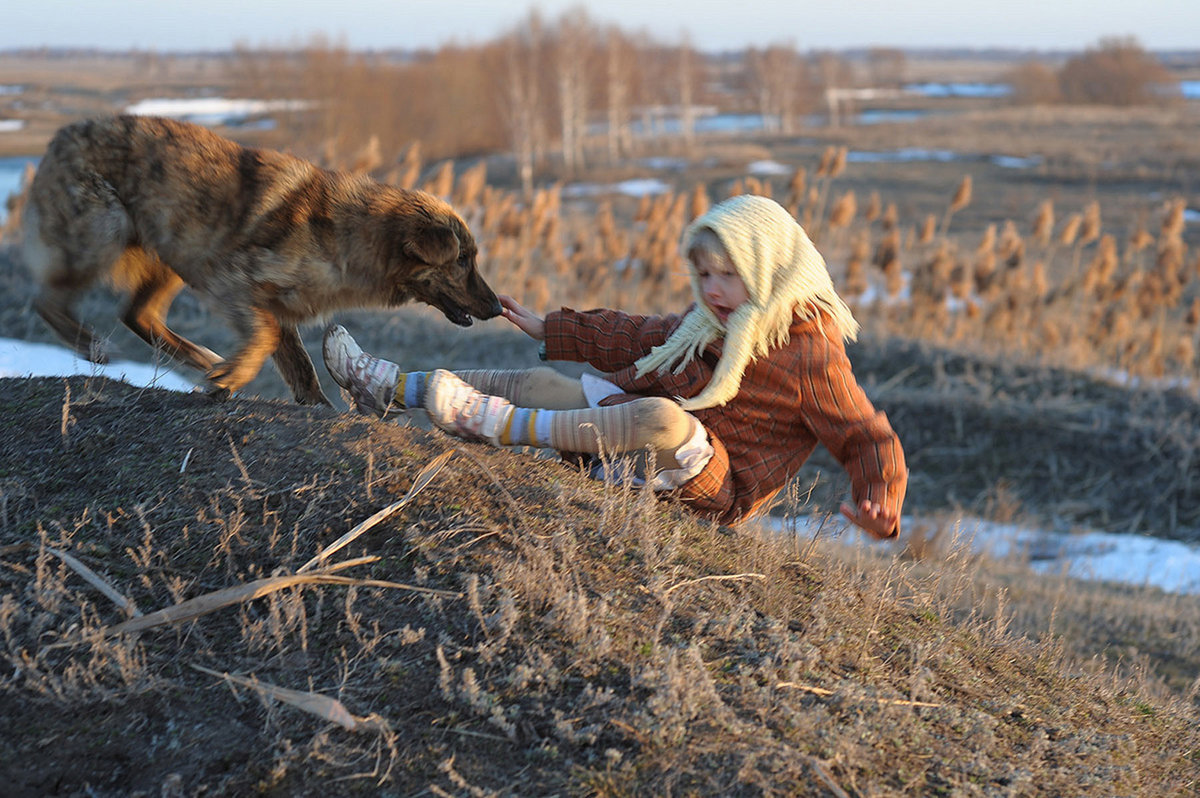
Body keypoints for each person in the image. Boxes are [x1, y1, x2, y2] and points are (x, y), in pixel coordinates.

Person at [323, 194, 907, 539]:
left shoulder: (809, 355)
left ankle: (494, 425)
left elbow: (863, 434)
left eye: (728, 275)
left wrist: (881, 498)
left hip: (711, 485)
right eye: (704, 275)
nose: (713, 290)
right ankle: (391, 387)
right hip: (629, 443)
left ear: (769, 268)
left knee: (663, 417)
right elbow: (640, 336)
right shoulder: (710, 321)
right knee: (544, 383)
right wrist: (552, 328)